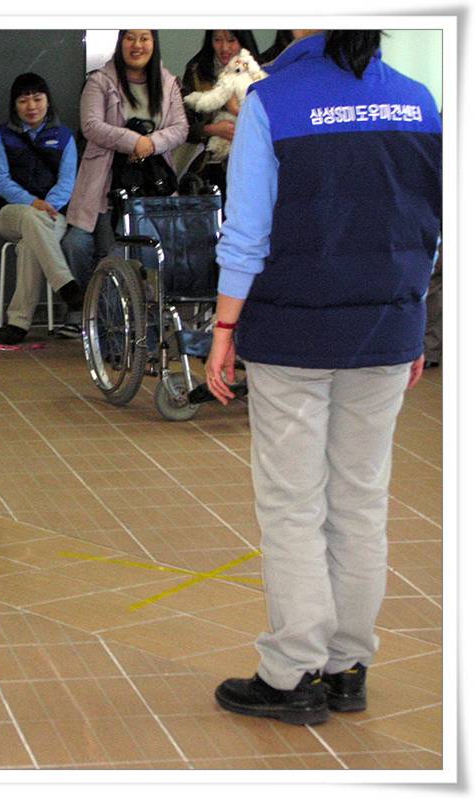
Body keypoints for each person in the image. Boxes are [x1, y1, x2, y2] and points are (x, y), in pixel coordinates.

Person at [205, 30, 442, 724]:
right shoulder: (417, 101)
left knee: (292, 504)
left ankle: (290, 673)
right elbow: (428, 228)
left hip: (293, 333)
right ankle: (347, 667)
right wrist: (415, 318)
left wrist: (222, 332)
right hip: (387, 331)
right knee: (361, 501)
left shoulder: (273, 103)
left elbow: (245, 231)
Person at [61, 29, 190, 293]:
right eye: (130, 38)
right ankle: (100, 312)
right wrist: (134, 142)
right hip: (107, 183)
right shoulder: (99, 81)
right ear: (120, 42)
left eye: (144, 38)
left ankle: (139, 313)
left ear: (154, 42)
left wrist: (150, 144)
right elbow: (91, 125)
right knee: (91, 248)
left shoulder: (168, 83)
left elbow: (181, 129)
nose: (137, 45)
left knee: (136, 250)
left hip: (152, 186)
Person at [0, 72, 81, 344]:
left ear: (48, 101)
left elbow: (67, 182)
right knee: (31, 218)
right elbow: (1, 182)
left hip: (53, 214)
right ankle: (65, 284)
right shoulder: (2, 136)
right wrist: (33, 202)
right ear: (14, 105)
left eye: (37, 99)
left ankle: (18, 323)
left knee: (31, 243)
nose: (31, 107)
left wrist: (47, 206)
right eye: (23, 100)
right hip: (10, 213)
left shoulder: (64, 136)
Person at [180, 30, 261, 199]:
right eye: (217, 40)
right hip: (207, 169)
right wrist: (211, 129)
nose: (224, 48)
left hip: (252, 163)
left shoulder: (257, 69)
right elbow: (181, 128)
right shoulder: (197, 71)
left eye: (231, 40)